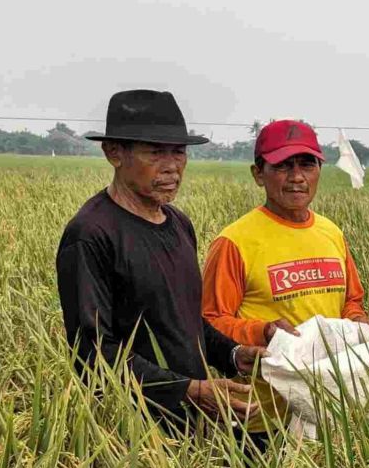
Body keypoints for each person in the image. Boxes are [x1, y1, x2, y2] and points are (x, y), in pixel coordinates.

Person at [56, 90, 261, 429]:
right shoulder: (91, 234)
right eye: (155, 152)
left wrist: (235, 355)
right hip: (130, 436)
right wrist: (189, 390)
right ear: (114, 153)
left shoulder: (178, 224)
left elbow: (186, 323)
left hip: (192, 425)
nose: (172, 167)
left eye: (178, 152)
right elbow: (93, 354)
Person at [201, 119, 369, 429]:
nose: (297, 177)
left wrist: (360, 322)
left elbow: (351, 302)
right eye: (283, 166)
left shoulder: (331, 233)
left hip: (327, 407)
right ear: (258, 174)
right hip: (260, 416)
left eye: (307, 165)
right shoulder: (234, 242)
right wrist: (263, 331)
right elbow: (210, 323)